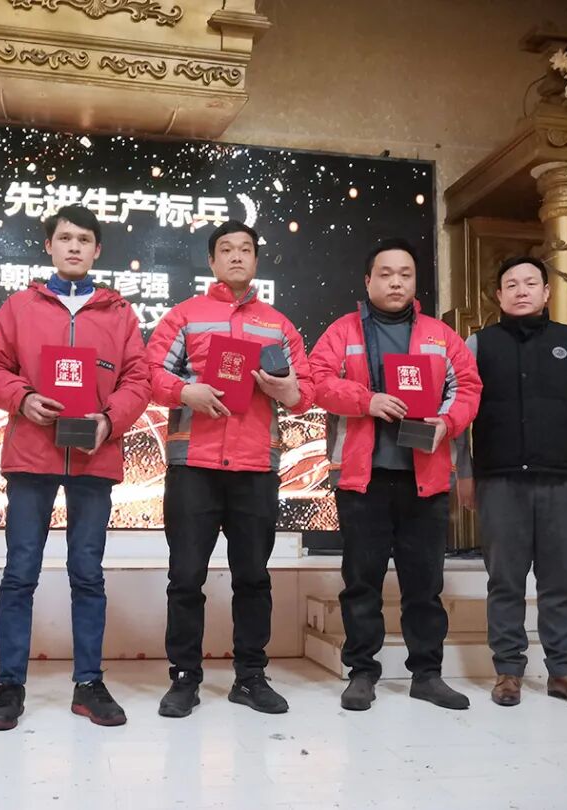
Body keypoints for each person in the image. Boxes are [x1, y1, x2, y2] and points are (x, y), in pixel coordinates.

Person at [0, 204, 150, 729]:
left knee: (88, 573)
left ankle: (88, 683)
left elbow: (138, 379)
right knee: (20, 572)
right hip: (32, 454)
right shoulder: (19, 306)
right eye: (65, 238)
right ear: (49, 246)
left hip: (94, 454)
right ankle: (10, 685)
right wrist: (23, 398)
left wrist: (110, 420)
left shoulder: (120, 313)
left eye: (84, 239)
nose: (74, 246)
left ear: (97, 250)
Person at [145, 220, 314, 718]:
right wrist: (186, 392)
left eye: (245, 249)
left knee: (253, 577)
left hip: (255, 466)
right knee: (185, 576)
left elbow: (306, 391)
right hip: (193, 465)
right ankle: (184, 677)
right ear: (212, 261)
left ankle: (251, 676)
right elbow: (150, 374)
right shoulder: (185, 316)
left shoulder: (278, 325)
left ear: (256, 260)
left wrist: (288, 390)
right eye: (226, 249)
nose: (236, 256)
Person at [309, 237, 481, 712]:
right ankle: (362, 673)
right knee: (361, 581)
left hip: (425, 478)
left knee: (424, 584)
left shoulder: (440, 335)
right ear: (368, 281)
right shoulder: (343, 332)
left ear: (415, 281)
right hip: (363, 479)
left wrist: (446, 421)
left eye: (405, 274)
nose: (396, 282)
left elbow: (468, 387)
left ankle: (427, 674)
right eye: (385, 274)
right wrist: (367, 401)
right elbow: (316, 381)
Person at [456, 256, 567, 709]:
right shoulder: (477, 344)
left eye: (531, 283)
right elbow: (459, 415)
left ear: (547, 293)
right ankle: (508, 672)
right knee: (505, 581)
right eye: (511, 284)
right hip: (499, 481)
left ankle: (563, 672)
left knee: (558, 583)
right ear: (499, 295)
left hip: (561, 482)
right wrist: (464, 473)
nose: (521, 290)